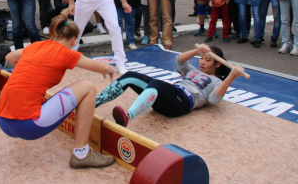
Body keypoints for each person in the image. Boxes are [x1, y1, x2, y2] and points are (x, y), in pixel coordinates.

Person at [0, 10, 116, 169]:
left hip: (3, 120)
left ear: (54, 34)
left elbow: (9, 58)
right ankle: (81, 154)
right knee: (88, 87)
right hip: (28, 125)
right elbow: (101, 67)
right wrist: (109, 68)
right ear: (74, 41)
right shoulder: (67, 53)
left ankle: (81, 152)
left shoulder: (36, 46)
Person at [95, 44, 245, 127]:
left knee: (158, 84)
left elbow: (214, 99)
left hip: (182, 102)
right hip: (167, 96)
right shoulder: (192, 71)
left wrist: (231, 76)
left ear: (217, 64)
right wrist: (196, 50)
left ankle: (128, 116)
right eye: (202, 58)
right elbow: (180, 61)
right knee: (130, 76)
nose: (202, 62)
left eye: (207, 60)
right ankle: (93, 103)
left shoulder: (217, 82)